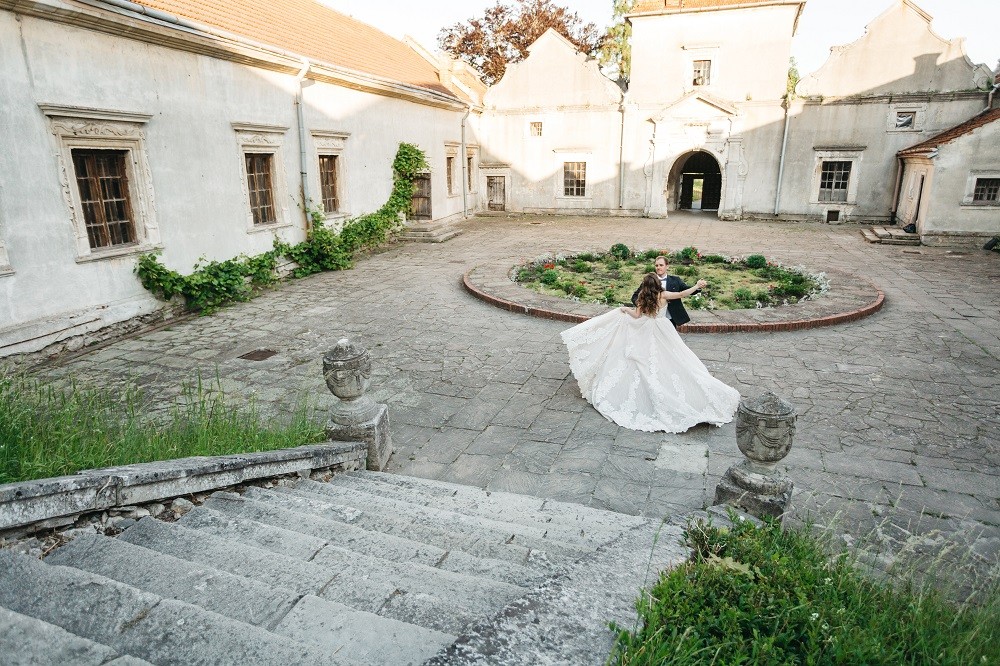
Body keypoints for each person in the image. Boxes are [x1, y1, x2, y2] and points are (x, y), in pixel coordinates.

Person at [561, 273, 740, 433]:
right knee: (675, 358)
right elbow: (682, 294)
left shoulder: (643, 297)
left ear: (645, 286)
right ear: (657, 283)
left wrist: (624, 310)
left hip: (645, 330)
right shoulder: (664, 295)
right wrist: (696, 286)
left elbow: (637, 316)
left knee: (643, 359)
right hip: (663, 329)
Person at [630, 255, 697, 328]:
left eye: (661, 265)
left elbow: (685, 291)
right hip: (652, 318)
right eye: (656, 265)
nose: (658, 267)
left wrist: (698, 287)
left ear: (667, 266)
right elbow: (635, 296)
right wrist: (644, 306)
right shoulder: (649, 281)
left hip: (671, 317)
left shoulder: (675, 280)